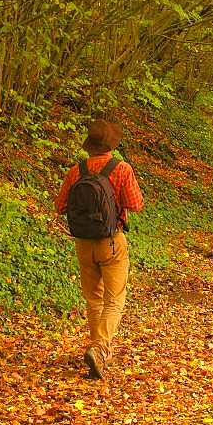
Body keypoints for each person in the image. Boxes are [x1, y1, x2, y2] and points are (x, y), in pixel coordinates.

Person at [55, 119, 143, 379]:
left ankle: (98, 353)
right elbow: (136, 204)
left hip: (83, 244)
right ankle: (100, 348)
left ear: (89, 145)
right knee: (114, 300)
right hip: (112, 242)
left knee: (93, 298)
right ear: (111, 145)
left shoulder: (76, 171)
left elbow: (59, 206)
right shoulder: (122, 169)